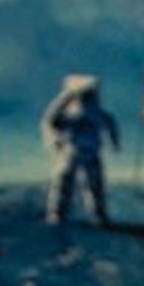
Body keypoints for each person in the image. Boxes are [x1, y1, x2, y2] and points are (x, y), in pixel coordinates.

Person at [40, 71, 117, 226]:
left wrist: (113, 141)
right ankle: (56, 213)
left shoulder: (97, 114)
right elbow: (49, 120)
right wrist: (66, 96)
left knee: (94, 185)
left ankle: (98, 215)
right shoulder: (68, 114)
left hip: (91, 152)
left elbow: (110, 123)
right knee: (63, 182)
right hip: (71, 150)